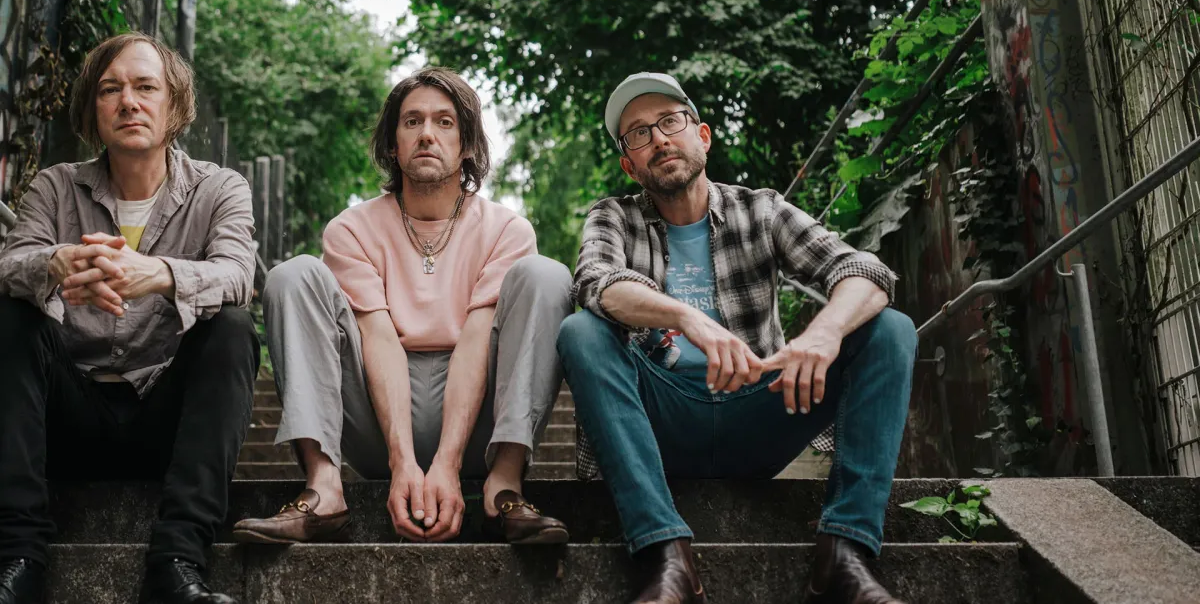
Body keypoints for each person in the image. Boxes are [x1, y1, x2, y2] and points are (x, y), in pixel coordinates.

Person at [557, 73, 917, 604]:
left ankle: (844, 554)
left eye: (670, 122)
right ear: (629, 165)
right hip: (662, 419)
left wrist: (823, 334)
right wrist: (687, 317)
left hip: (760, 407)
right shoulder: (615, 216)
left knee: (890, 328)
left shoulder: (761, 209)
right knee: (581, 332)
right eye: (638, 134)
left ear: (702, 136)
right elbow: (596, 283)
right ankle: (666, 557)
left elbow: (865, 271)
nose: (659, 139)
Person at [232, 67, 572, 547]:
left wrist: (448, 463)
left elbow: (477, 342)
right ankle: (324, 488)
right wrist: (403, 463)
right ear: (394, 144)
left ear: (467, 144)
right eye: (412, 121)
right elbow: (378, 339)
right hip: (376, 416)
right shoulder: (352, 230)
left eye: (444, 122)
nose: (427, 134)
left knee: (547, 275)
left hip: (479, 421)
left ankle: (504, 489)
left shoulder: (506, 231)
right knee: (293, 275)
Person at [0, 32, 258, 604]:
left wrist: (160, 274)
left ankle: (178, 563)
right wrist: (55, 263)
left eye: (146, 87)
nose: (128, 102)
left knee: (234, 327)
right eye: (110, 89)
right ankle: (17, 558)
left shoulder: (219, 188)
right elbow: (8, 265)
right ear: (94, 108)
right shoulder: (55, 187)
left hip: (166, 424)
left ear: (175, 104)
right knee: (10, 315)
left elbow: (239, 274)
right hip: (68, 418)